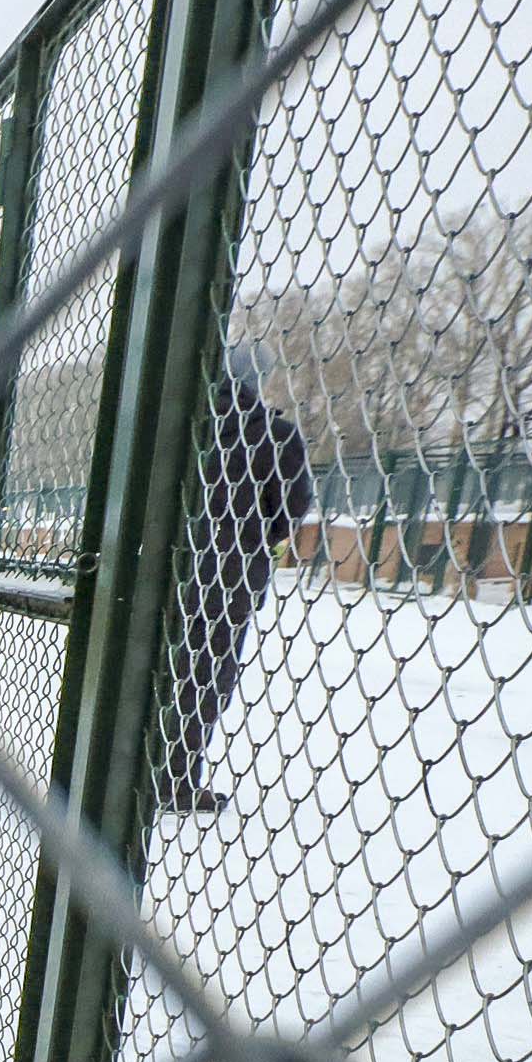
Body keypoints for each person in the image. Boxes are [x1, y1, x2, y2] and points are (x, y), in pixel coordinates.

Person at [160, 344, 315, 814]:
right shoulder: (274, 435)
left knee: (156, 666)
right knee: (205, 676)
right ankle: (176, 780)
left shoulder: (180, 428)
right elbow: (291, 509)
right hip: (228, 571)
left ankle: (134, 768)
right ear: (260, 380)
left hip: (164, 564)